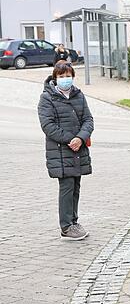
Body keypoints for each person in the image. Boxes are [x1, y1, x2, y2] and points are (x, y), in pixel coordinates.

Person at [37, 61, 93, 240]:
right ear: (55, 78)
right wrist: (71, 140)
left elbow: (88, 119)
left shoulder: (78, 95)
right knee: (67, 187)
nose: (65, 79)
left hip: (78, 148)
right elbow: (48, 125)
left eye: (68, 76)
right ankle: (66, 226)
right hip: (61, 150)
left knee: (76, 187)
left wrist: (81, 138)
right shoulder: (47, 98)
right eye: (61, 76)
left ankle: (74, 221)